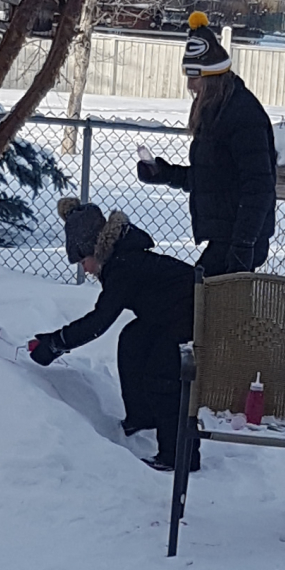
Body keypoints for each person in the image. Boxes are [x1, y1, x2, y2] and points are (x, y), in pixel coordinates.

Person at [29, 200, 197, 472]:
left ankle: (180, 456)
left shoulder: (123, 265)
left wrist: (55, 343)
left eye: (83, 260)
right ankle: (142, 416)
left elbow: (100, 321)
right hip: (166, 316)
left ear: (94, 248)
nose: (84, 269)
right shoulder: (121, 259)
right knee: (133, 340)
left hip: (191, 316)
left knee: (163, 376)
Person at [135, 13, 276, 275]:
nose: (190, 85)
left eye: (195, 77)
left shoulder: (243, 115)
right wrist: (165, 173)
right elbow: (212, 178)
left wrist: (243, 244)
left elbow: (259, 187)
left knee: (200, 295)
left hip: (241, 238)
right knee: (201, 295)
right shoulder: (216, 111)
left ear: (212, 78)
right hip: (225, 235)